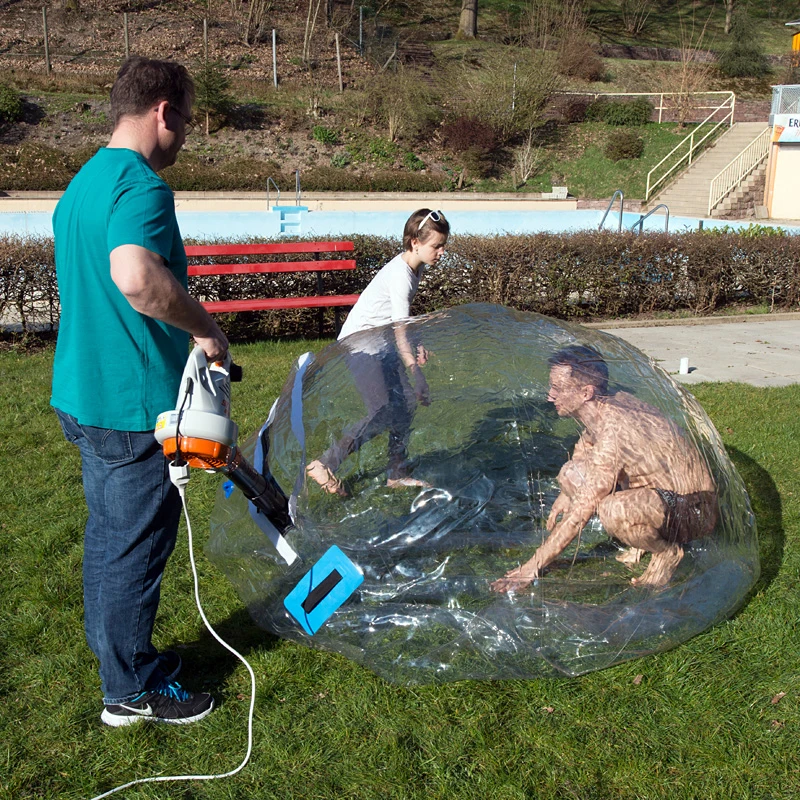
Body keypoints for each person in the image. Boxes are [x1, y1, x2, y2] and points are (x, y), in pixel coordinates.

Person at [51, 56, 228, 727]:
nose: (184, 135)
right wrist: (206, 329)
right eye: (185, 119)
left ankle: (120, 664)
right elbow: (133, 276)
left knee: (108, 543)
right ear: (162, 111)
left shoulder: (84, 183)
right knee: (133, 550)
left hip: (83, 396)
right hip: (132, 408)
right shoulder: (141, 186)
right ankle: (129, 690)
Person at [492, 345, 717, 592]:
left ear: (585, 392)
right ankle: (645, 539)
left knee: (612, 509)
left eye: (557, 388)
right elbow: (587, 443)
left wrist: (532, 566)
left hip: (693, 509)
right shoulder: (606, 405)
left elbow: (583, 510)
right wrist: (565, 494)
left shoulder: (614, 428)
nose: (549, 396)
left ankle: (667, 552)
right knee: (571, 472)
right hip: (666, 498)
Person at [306, 208, 449, 495]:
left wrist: (417, 342)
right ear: (414, 243)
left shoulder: (414, 267)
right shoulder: (401, 276)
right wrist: (416, 372)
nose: (442, 252)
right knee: (382, 409)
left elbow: (401, 321)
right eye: (437, 246)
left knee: (406, 404)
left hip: (379, 345)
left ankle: (396, 473)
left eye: (444, 245)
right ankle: (323, 463)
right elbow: (399, 329)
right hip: (360, 347)